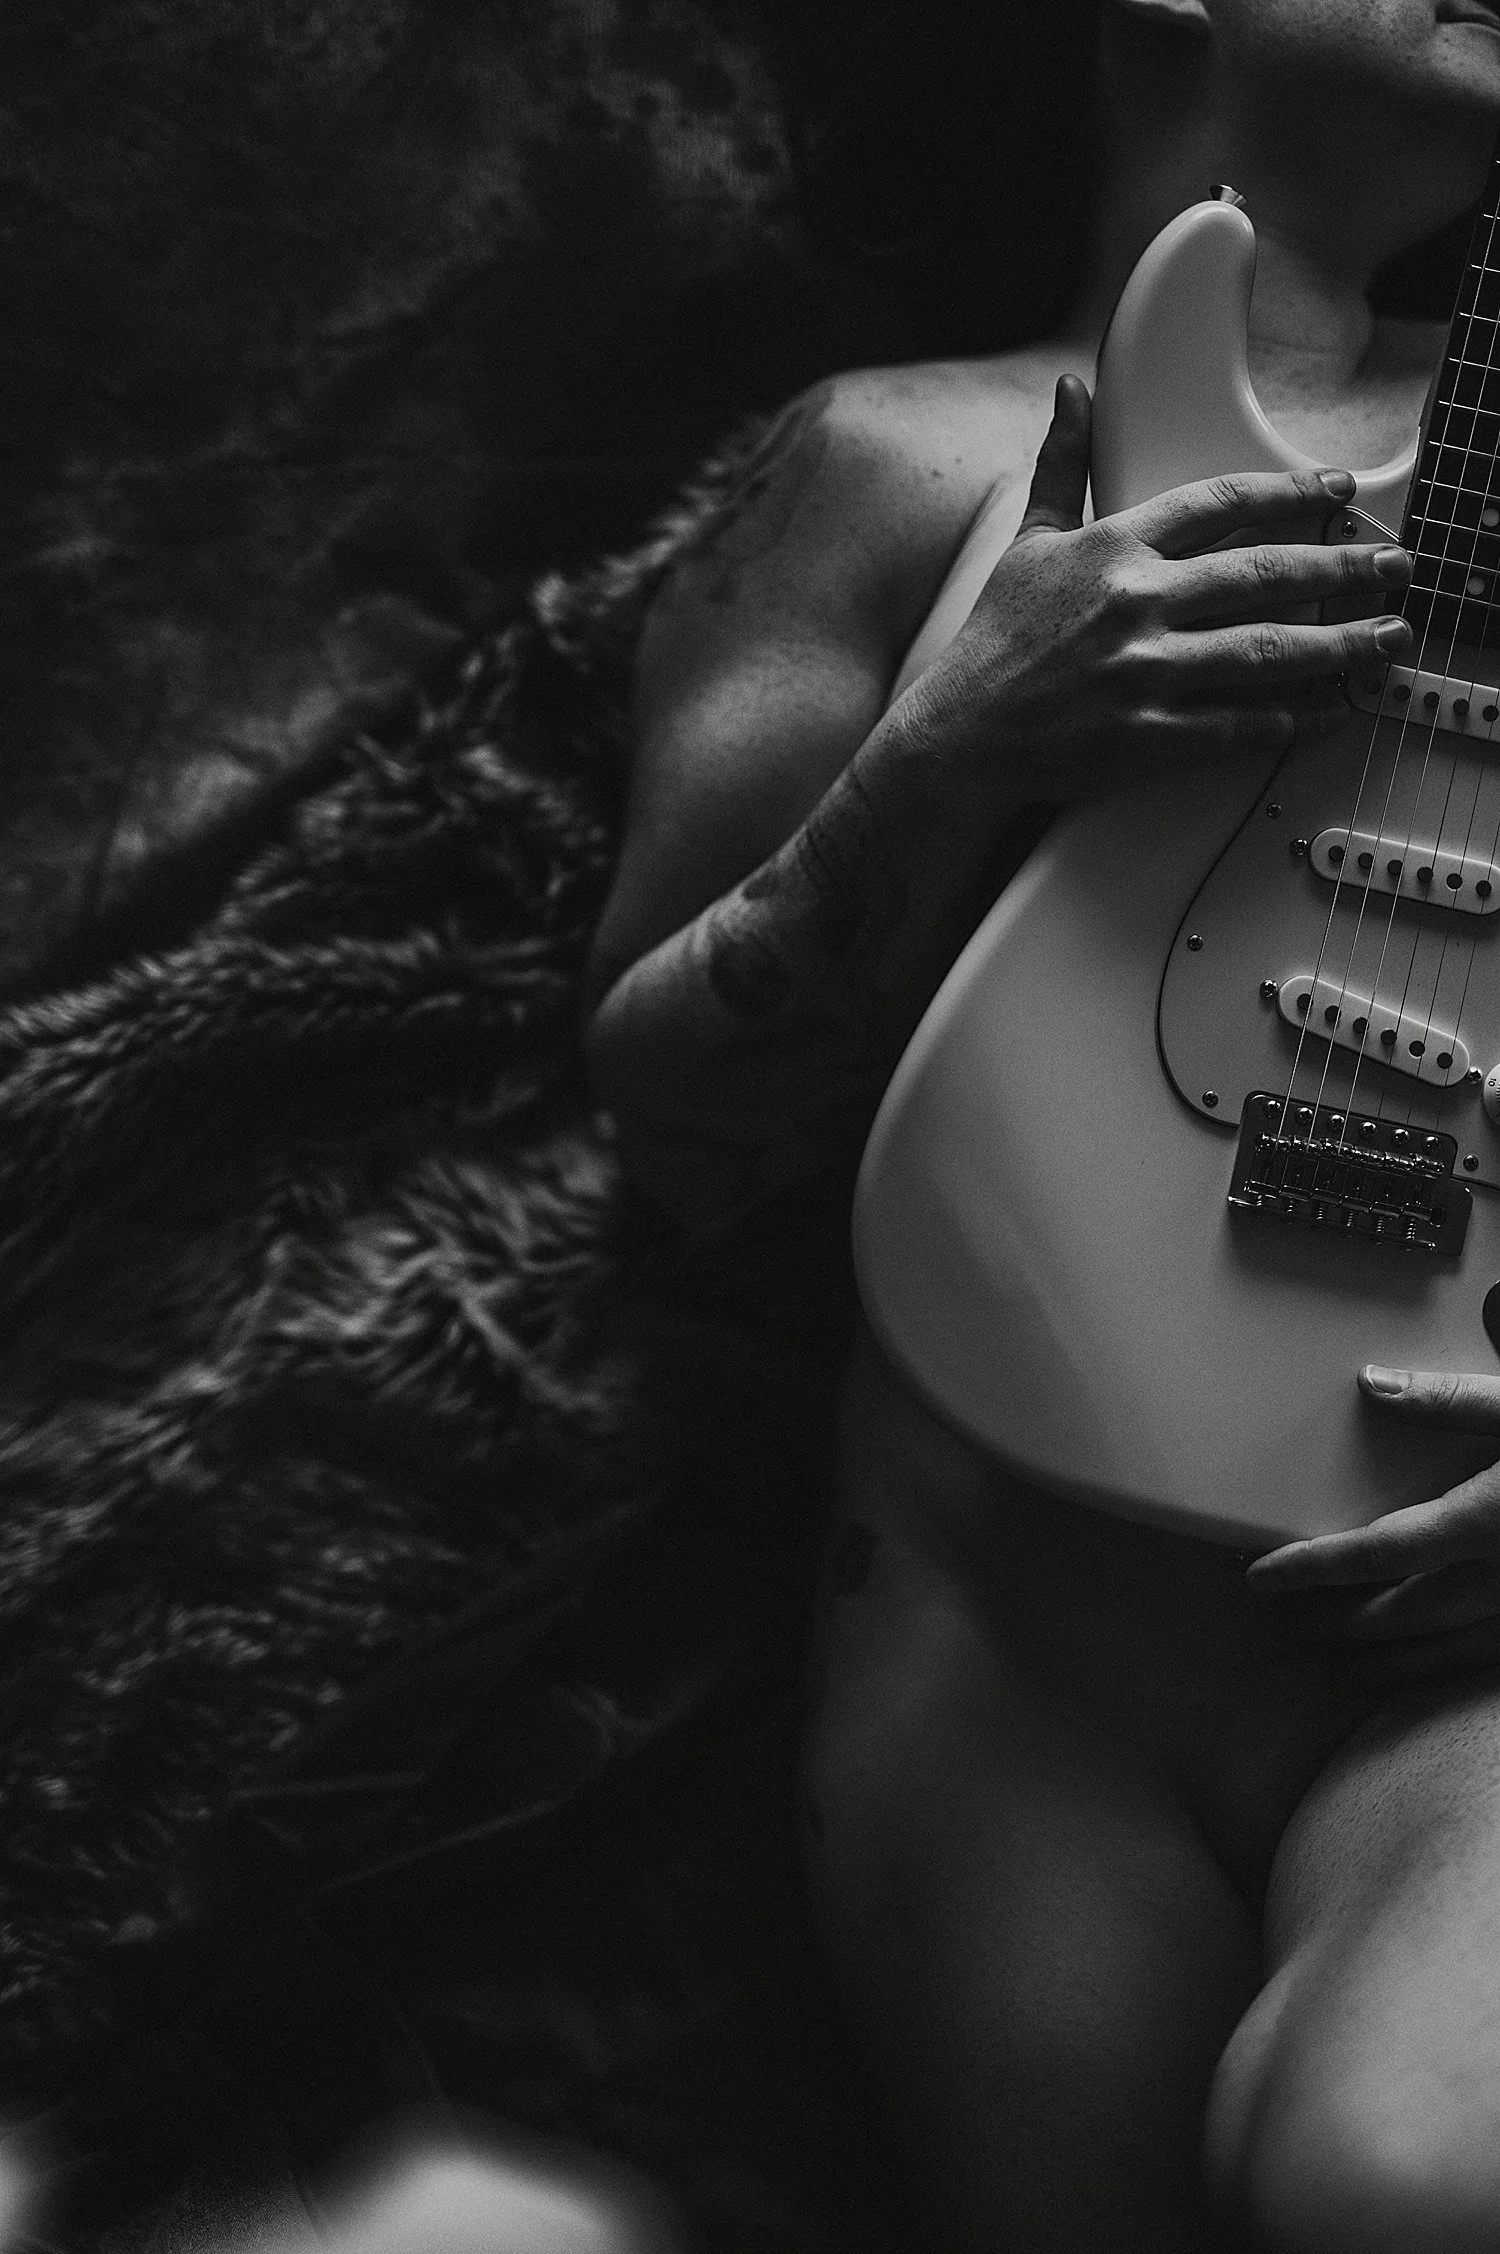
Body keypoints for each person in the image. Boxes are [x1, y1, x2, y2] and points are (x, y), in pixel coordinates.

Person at [584, 1, 1500, 2246]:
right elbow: (671, 1139)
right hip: (1007, 1658)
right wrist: (951, 749)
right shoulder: (893, 465)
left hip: (1459, 1648)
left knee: (1401, 2179)